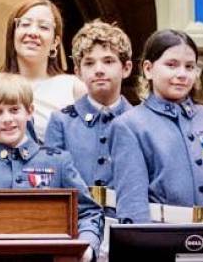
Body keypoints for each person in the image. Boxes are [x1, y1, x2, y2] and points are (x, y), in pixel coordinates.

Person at [0, 73, 102, 260]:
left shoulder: (58, 162)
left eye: (14, 110)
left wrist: (85, 248)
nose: (7, 119)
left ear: (29, 111)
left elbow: (88, 212)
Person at [112, 29, 203, 223]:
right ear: (148, 69)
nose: (182, 74)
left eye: (189, 67)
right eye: (171, 65)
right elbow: (133, 205)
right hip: (163, 235)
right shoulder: (130, 126)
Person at [45, 20, 133, 261]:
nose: (99, 70)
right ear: (77, 71)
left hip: (125, 227)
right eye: (89, 63)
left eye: (108, 61)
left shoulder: (140, 121)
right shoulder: (62, 121)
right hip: (76, 229)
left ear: (126, 68)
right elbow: (54, 185)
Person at [1, 0, 86, 143]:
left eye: (44, 27)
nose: (33, 32)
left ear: (55, 42)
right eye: (25, 24)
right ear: (13, 34)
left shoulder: (74, 88)